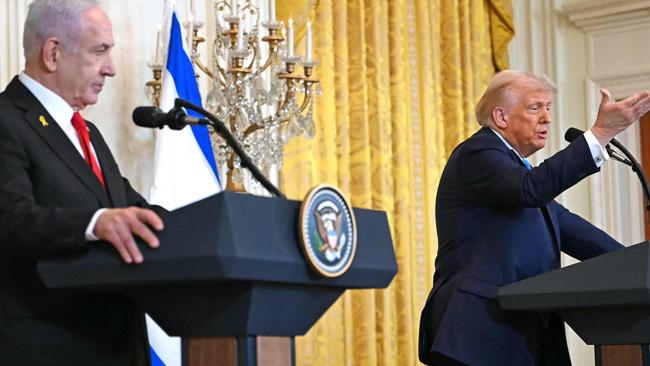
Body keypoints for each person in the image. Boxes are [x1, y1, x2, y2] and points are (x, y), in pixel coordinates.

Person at [418, 70, 650, 365]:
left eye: (548, 108)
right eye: (535, 107)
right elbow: (532, 189)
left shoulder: (517, 173)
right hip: (481, 334)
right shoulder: (477, 154)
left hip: (525, 334)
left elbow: (575, 232)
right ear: (501, 117)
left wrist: (639, 269)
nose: (547, 118)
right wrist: (599, 135)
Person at [0, 0, 164, 365]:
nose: (112, 69)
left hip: (115, 346)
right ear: (54, 53)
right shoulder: (6, 119)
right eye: (99, 51)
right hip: (47, 345)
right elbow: (10, 218)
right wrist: (95, 223)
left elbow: (130, 208)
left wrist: (210, 222)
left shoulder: (87, 132)